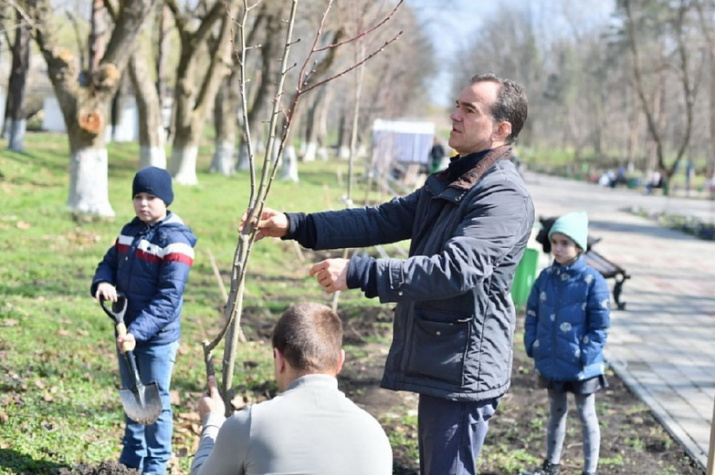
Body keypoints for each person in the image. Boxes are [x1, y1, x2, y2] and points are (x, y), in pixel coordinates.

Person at [242, 72, 535, 475]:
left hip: (464, 367)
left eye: (469, 110)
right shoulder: (455, 179)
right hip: (444, 361)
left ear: (501, 129)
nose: (454, 115)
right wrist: (295, 225)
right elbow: (381, 220)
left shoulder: (502, 195)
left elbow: (455, 269)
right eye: (457, 105)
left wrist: (359, 272)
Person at [190, 302, 393, 475]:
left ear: (279, 360)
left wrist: (212, 421)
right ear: (340, 361)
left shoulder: (249, 424)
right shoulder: (374, 433)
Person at [91, 166, 197, 475]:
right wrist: (103, 282)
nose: (143, 203)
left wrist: (137, 333)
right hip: (126, 331)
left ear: (166, 199)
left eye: (151, 197)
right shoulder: (129, 231)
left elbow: (168, 297)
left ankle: (155, 466)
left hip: (155, 338)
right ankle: (130, 461)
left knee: (156, 403)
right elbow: (109, 262)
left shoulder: (176, 241)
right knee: (132, 395)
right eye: (138, 196)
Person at [523, 211, 611, 475]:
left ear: (579, 247)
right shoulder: (545, 278)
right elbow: (532, 314)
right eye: (555, 242)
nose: (558, 248)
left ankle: (589, 470)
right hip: (551, 360)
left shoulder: (592, 281)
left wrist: (585, 354)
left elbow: (600, 325)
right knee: (556, 413)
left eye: (565, 243)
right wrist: (533, 344)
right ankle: (551, 465)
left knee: (586, 416)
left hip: (583, 366)